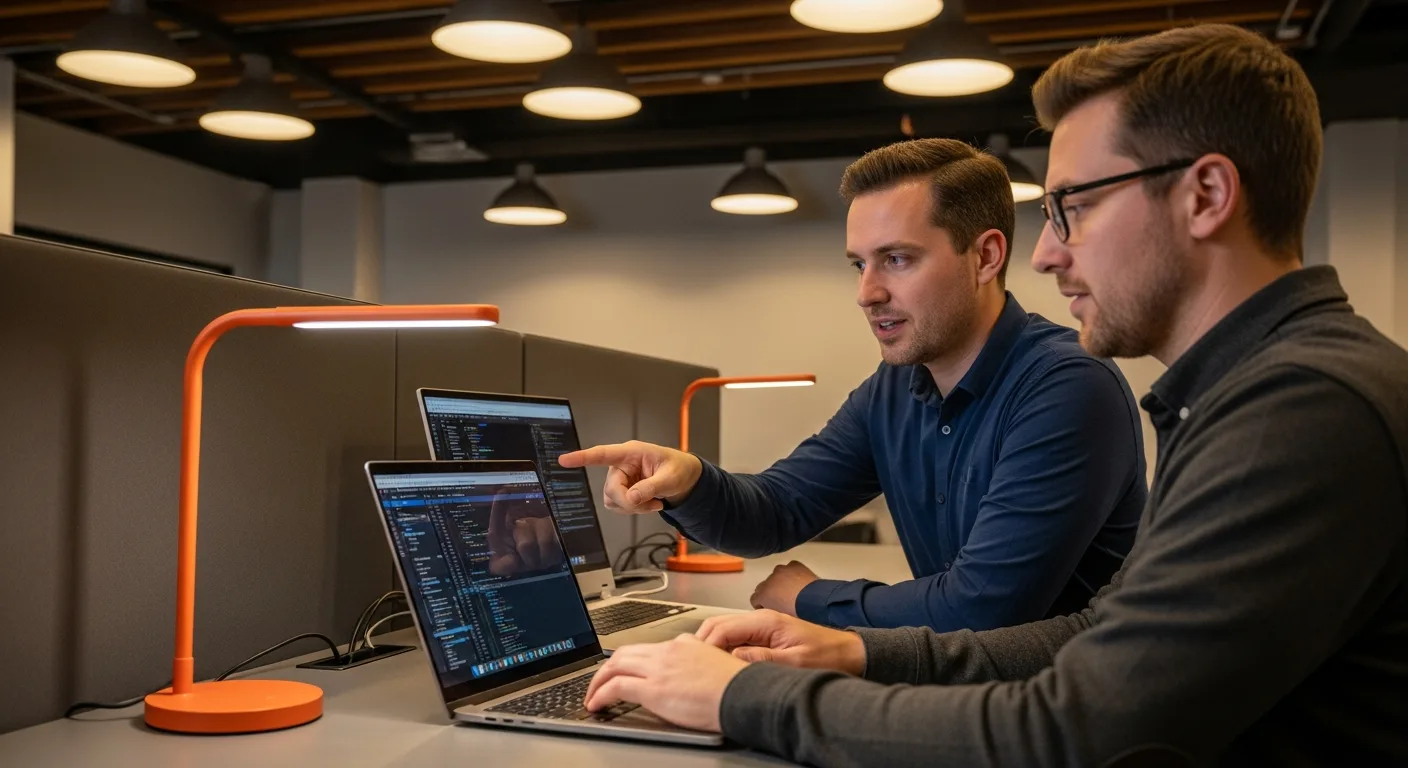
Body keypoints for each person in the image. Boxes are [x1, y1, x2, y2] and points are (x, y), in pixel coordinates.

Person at [576, 23, 1408, 765]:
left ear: (1206, 195)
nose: (1047, 254)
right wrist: (854, 653)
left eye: (1073, 206)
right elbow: (1095, 639)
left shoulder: (1300, 412)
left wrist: (739, 696)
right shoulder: (1254, 392)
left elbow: (1072, 728)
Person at [561, 138, 1148, 634]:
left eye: (897, 259)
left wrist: (808, 597)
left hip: (1065, 718)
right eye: (859, 264)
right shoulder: (895, 388)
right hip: (965, 693)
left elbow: (984, 607)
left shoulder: (1067, 387)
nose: (867, 293)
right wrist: (689, 482)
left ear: (986, 256)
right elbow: (777, 511)